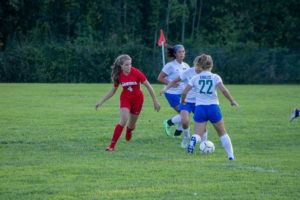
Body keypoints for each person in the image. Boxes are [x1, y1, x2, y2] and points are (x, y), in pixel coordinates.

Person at [95, 54, 161, 151]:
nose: (129, 67)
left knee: (130, 125)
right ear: (121, 66)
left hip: (138, 101)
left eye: (130, 64)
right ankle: (111, 146)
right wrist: (101, 102)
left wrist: (155, 101)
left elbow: (149, 86)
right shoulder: (119, 75)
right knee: (123, 120)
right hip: (125, 99)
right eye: (126, 65)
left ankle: (129, 130)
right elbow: (113, 90)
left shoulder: (137, 73)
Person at [181, 54, 239, 160]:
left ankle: (193, 140)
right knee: (222, 133)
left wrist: (183, 100)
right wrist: (232, 101)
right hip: (213, 108)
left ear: (199, 65)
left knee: (197, 134)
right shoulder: (215, 77)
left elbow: (184, 92)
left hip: (200, 109)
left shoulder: (195, 78)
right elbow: (224, 90)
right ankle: (231, 156)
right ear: (211, 65)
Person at [160, 56, 208, 148]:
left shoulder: (206, 74)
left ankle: (204, 143)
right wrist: (165, 89)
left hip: (199, 102)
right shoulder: (188, 72)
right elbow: (174, 80)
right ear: (195, 65)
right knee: (185, 121)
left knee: (202, 124)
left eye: (201, 67)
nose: (199, 69)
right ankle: (186, 137)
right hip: (187, 101)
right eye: (197, 67)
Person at [157, 44, 190, 138]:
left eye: (183, 51)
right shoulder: (170, 65)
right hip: (171, 94)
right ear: (175, 54)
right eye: (179, 52)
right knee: (184, 114)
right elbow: (160, 78)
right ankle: (168, 123)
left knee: (184, 113)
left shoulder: (186, 66)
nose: (182, 53)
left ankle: (177, 133)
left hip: (182, 94)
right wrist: (170, 83)